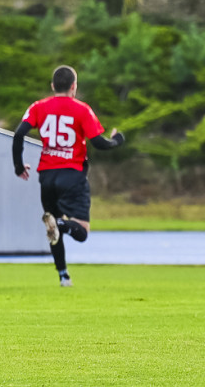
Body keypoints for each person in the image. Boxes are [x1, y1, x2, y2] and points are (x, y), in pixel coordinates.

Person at [12, 65, 126, 287]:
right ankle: (62, 226)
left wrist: (18, 167)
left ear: (53, 86)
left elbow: (18, 135)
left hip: (46, 175)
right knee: (81, 231)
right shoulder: (82, 110)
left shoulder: (38, 107)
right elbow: (99, 143)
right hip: (71, 175)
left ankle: (63, 275)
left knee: (52, 226)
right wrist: (118, 140)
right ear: (74, 86)